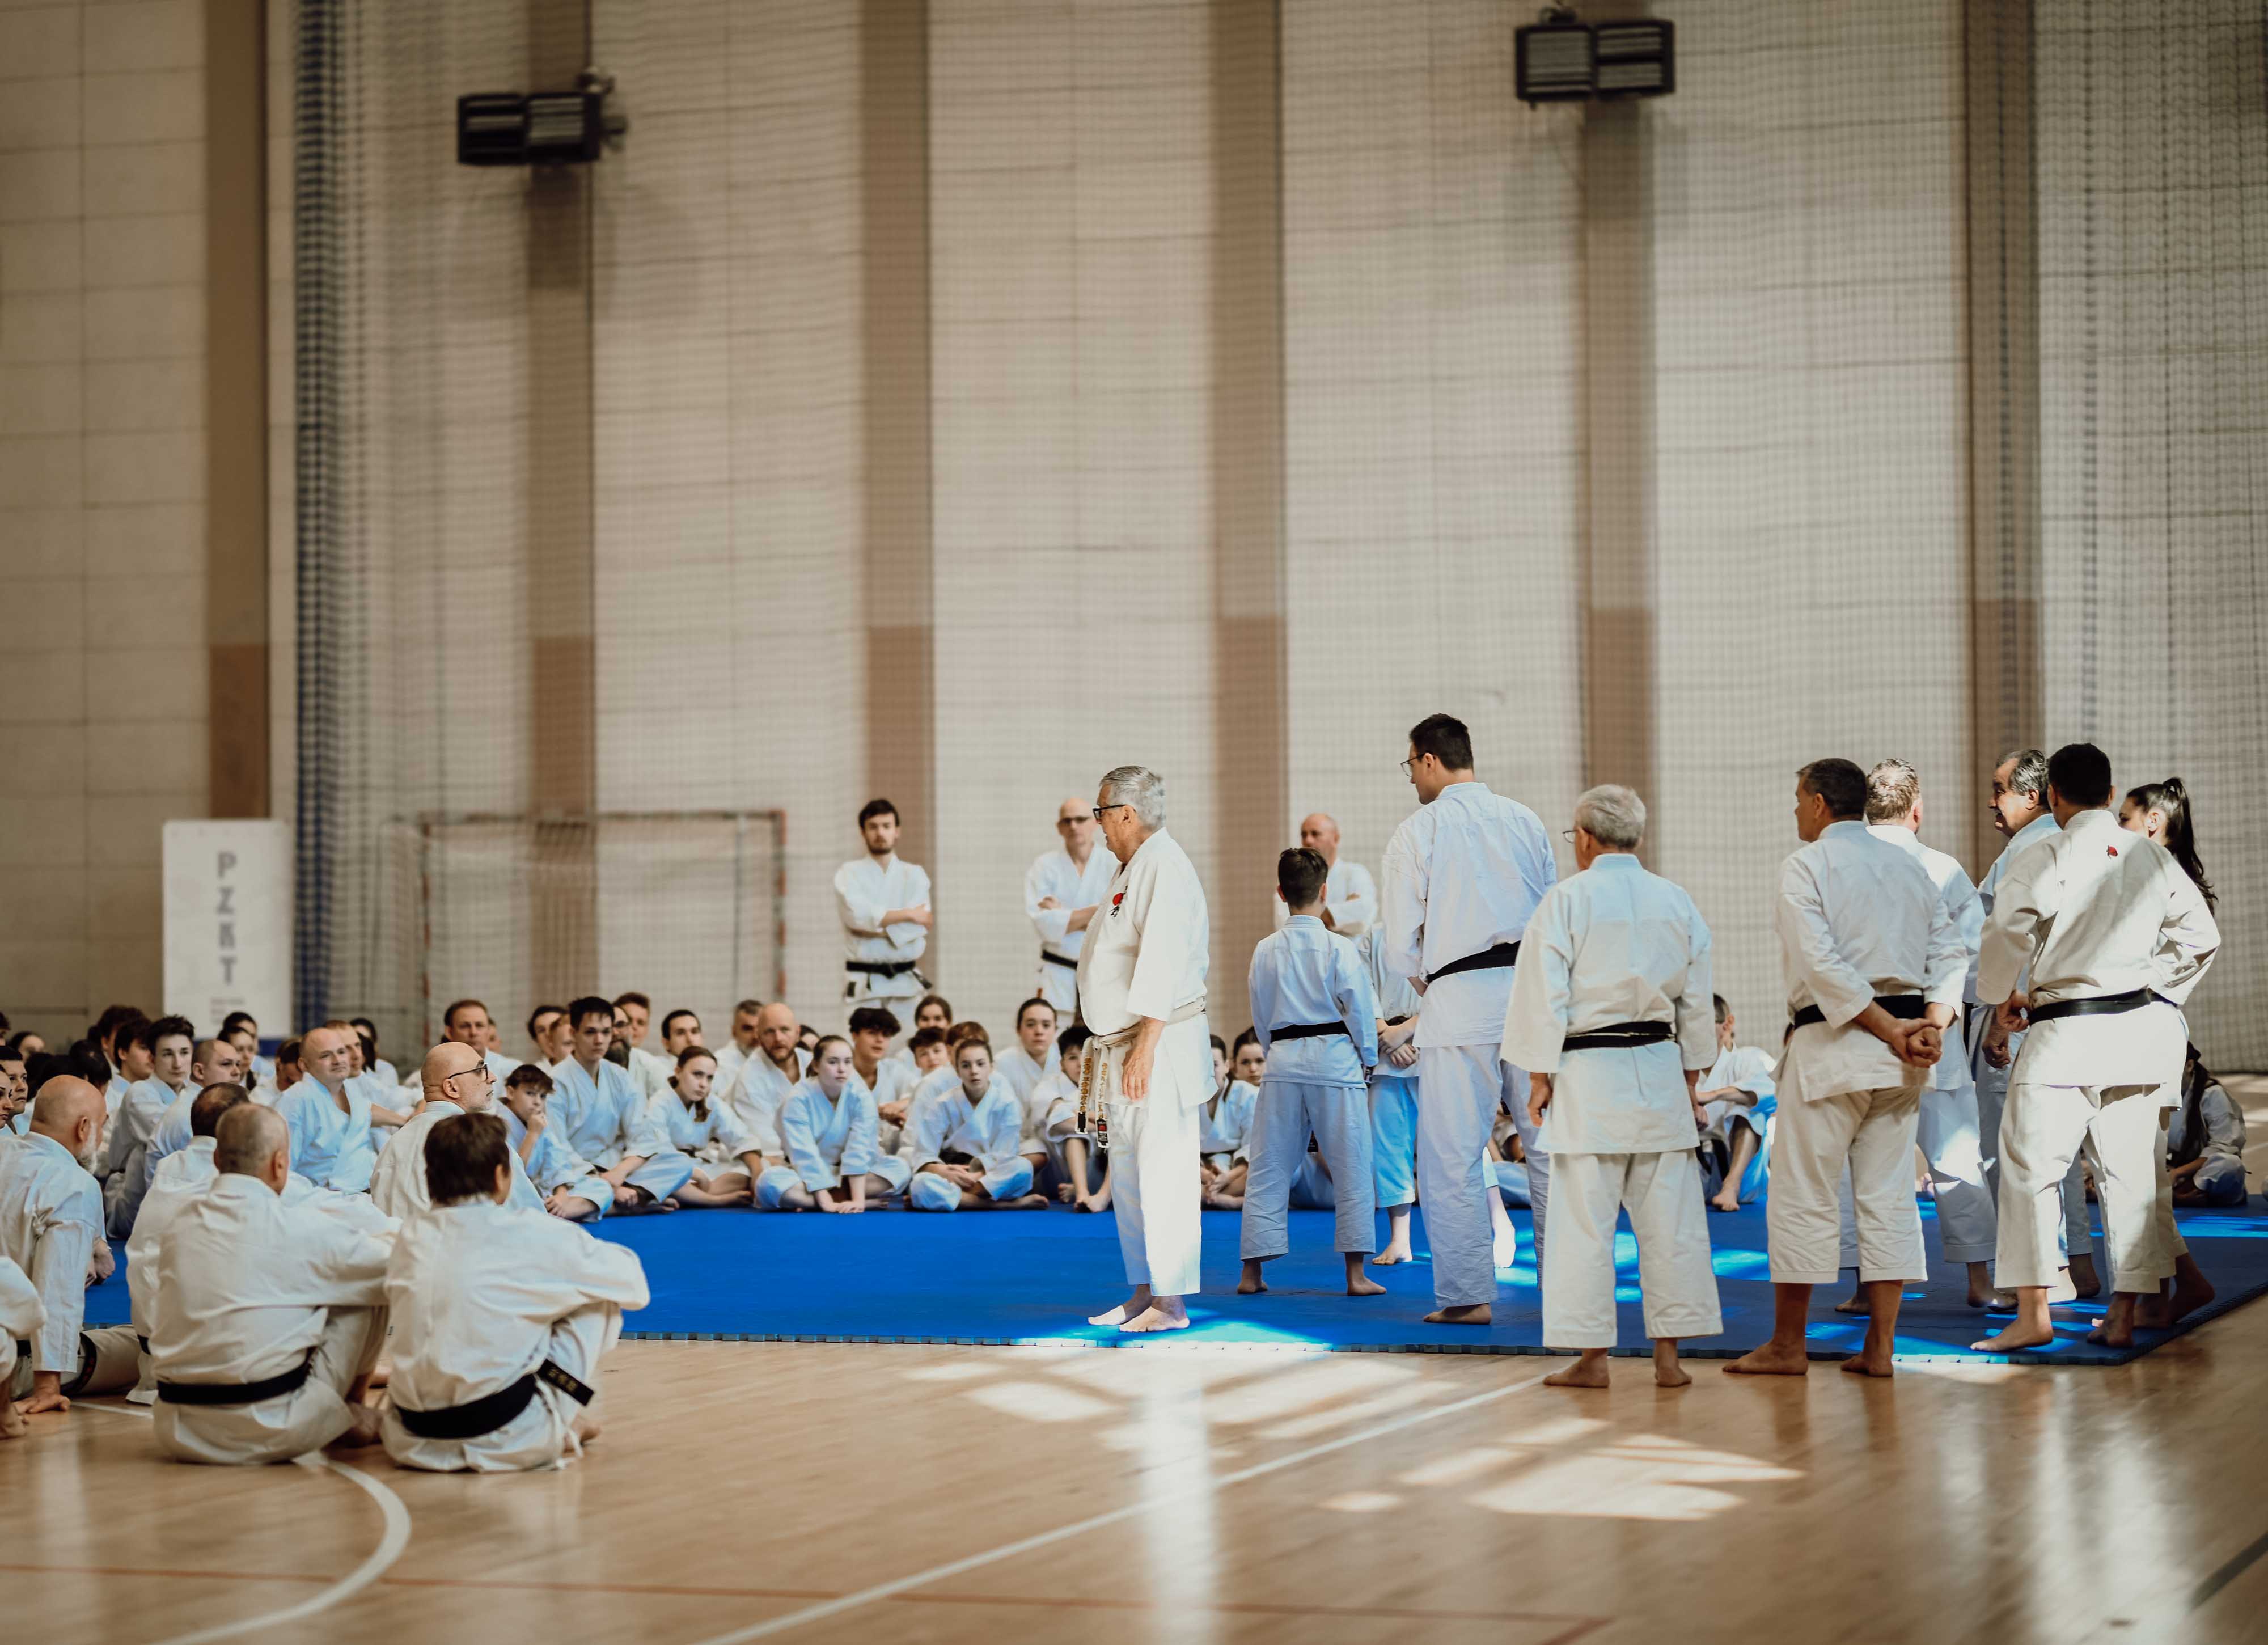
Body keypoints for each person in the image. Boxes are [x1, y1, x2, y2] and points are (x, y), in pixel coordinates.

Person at [1970, 743, 2219, 1353]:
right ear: (2110, 796)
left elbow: (2005, 928)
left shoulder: (2047, 852)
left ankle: (2033, 1314)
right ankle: (2124, 1312)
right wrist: (2154, 990)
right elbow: (2201, 936)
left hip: (2064, 1033)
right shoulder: (2150, 858)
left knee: (2029, 1169)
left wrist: (2000, 999)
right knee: (2130, 1179)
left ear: (2052, 795)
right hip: (2136, 1032)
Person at [1726, 758, 1963, 1380]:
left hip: (1837, 1047)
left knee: (1803, 1195)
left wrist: (1892, 1028)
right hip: (1905, 1054)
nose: (1795, 809)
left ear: (1821, 804)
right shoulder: (1910, 867)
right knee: (1887, 1199)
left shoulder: (1806, 865)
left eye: (1798, 798)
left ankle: (1786, 1346)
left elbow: (1821, 963)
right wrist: (1930, 1028)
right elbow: (1949, 953)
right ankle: (1880, 1350)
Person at [1507, 785, 1722, 1388]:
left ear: (1583, 838)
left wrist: (1538, 1076)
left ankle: (1594, 1359)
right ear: (1637, 838)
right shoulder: (1674, 901)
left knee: (1583, 1226)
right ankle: (1669, 1359)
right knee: (1670, 1223)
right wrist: (1690, 1076)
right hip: (1657, 1069)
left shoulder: (1565, 901)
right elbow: (1696, 1002)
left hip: (1586, 1078)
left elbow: (1542, 997)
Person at [1380, 713, 1559, 1324]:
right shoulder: (1525, 820)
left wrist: (1433, 979)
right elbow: (1550, 913)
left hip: (1458, 998)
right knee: (1545, 1144)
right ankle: (1567, 1290)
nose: (1411, 779)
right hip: (1531, 994)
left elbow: (1399, 943)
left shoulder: (1416, 831)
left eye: (1411, 766)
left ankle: (1466, 1298)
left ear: (1429, 760)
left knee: (1452, 1152)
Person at [382, 1113, 649, 1473]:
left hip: (409, 1434)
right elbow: (633, 1286)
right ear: (500, 1176)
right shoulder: (530, 1231)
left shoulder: (409, 1236)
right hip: (508, 1433)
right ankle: (561, 1415)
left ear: (431, 1177)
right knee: (596, 1297)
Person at [147, 1104, 395, 1464]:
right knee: (367, 1284)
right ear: (280, 1164)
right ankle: (350, 1412)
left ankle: (341, 1412)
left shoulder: (179, 1225)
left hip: (177, 1426)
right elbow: (397, 1269)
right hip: (272, 1427)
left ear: (217, 1158)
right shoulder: (298, 1228)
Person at [1849, 758, 2000, 1309]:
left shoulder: (1838, 865)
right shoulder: (1942, 868)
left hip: (1865, 1028)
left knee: (1872, 1165)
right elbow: (1969, 954)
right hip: (1933, 1030)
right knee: (1957, 1161)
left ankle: (1870, 1287)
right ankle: (1981, 1283)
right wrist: (1943, 1023)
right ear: (1917, 810)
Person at [1075, 766, 1212, 1331]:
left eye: (1101, 814)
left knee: (1165, 1174)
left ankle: (1171, 1303)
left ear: (1126, 813)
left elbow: (1162, 960)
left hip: (1158, 1042)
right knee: (1130, 1178)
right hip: (1126, 1042)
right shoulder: (1130, 868)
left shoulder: (1165, 866)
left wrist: (1146, 1045)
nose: (1099, 826)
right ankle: (1142, 1293)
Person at [1974, 749, 2097, 1300]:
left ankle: (2036, 1283)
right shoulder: (2094, 847)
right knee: (2067, 1147)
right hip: (2083, 1018)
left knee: (2015, 1148)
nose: (1991, 804)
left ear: (2034, 795)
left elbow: (2001, 939)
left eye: (1999, 790)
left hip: (2025, 1015)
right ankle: (2080, 1264)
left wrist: (1998, 1015)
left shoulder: (2028, 852)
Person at [1238, 847, 1383, 1297]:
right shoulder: (1339, 947)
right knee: (1351, 1164)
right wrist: (1369, 1056)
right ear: (1325, 893)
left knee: (1268, 1165)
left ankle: (1251, 1274)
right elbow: (1360, 1009)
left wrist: (1276, 1051)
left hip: (1281, 1060)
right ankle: (1356, 1275)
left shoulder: (1264, 950)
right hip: (1335, 1061)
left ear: (1281, 893)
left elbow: (1260, 1016)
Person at [2, 1078, 139, 1415]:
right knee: (154, 1346)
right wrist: (48, 1386)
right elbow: (57, 1289)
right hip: (18, 1365)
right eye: (102, 1127)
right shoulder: (73, 1183)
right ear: (83, 1128)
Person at [372, 1042, 556, 1220]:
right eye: (479, 1071)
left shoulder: (392, 1145)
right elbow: (533, 1217)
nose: (492, 1077)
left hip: (404, 1249)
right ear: (452, 1088)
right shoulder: (480, 1141)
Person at [548, 997, 695, 1215]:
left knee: (680, 1163)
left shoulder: (619, 1076)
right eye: (590, 1032)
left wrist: (619, 1174)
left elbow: (642, 1137)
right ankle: (627, 1203)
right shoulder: (555, 1081)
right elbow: (556, 1148)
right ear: (573, 1033)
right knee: (571, 1186)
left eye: (606, 1032)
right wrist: (602, 1181)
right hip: (574, 1172)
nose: (599, 1040)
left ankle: (615, 1200)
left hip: (612, 1166)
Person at [760, 1036, 913, 1211]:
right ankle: (824, 1201)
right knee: (769, 1183)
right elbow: (803, 1152)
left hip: (850, 1176)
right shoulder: (797, 1098)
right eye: (833, 1062)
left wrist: (858, 1202)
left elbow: (859, 1149)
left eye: (847, 1062)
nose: (842, 1069)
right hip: (806, 1176)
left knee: (901, 1169)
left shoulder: (861, 1096)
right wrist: (825, 1203)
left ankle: (810, 1203)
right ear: (816, 1065)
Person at [903, 1038, 1044, 1211]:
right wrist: (943, 1171)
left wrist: (978, 1176)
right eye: (966, 1065)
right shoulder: (942, 1104)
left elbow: (1005, 1154)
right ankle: (1002, 1205)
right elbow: (924, 1153)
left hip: (988, 1177)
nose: (974, 1071)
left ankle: (954, 1199)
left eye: (980, 1064)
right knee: (920, 1184)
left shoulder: (1007, 1104)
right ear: (957, 1070)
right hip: (953, 1175)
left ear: (991, 1067)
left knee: (1022, 1168)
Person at [273, 1025, 409, 1194]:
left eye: (341, 1052)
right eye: (326, 1055)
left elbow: (366, 1111)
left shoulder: (350, 1088)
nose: (338, 1060)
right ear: (304, 1065)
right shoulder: (296, 1100)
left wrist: (405, 1121)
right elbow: (283, 1167)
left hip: (371, 1188)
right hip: (328, 1199)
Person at [1359, 925, 1424, 1265]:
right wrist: (1386, 1033)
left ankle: (1498, 1223)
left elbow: (1452, 990)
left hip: (1433, 1047)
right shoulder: (1375, 936)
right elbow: (1359, 989)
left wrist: (1407, 1031)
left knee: (1458, 1147)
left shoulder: (1449, 928)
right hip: (1386, 1054)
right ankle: (1400, 1240)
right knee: (1388, 1149)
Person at [100, 1014, 196, 1237]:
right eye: (167, 1054)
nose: (178, 1063)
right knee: (148, 1151)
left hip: (174, 1189)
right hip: (128, 1196)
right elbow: (175, 1141)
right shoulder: (140, 1092)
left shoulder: (189, 1092)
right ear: (152, 1059)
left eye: (184, 1053)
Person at [835, 797, 932, 1010]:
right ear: (863, 832)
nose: (880, 833)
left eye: (886, 826)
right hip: (862, 984)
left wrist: (872, 927)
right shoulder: (848, 873)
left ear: (897, 831)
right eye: (873, 827)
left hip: (906, 984)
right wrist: (908, 915)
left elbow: (919, 925)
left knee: (910, 1043)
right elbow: (856, 917)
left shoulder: (914, 875)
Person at [1027, 797, 1116, 1013]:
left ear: (1096, 821)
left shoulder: (1114, 863)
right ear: (1059, 827)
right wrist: (1099, 911)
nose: (1074, 826)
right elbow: (1045, 926)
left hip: (1105, 971)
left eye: (1080, 819)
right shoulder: (1044, 867)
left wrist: (1063, 915)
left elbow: (1119, 923)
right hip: (1058, 971)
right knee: (1057, 1038)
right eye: (1067, 821)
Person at [648, 1047, 766, 1207]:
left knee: (756, 1166)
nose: (703, 1084)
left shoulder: (712, 1103)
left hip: (700, 1170)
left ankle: (694, 1197)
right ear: (678, 1072)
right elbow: (658, 1153)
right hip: (670, 1169)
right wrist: (695, 1174)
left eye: (709, 1078)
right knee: (661, 1178)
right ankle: (714, 1200)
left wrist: (758, 1174)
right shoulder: (660, 1103)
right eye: (697, 1075)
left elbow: (742, 1138)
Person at [494, 1064, 609, 1221]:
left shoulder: (538, 1120)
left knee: (601, 1188)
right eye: (530, 1093)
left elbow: (557, 1163)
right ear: (511, 1092)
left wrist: (561, 1195)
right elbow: (510, 1175)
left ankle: (553, 1212)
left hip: (540, 1194)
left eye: (543, 1096)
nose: (537, 1102)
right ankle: (552, 1214)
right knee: (516, 1201)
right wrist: (532, 1134)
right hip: (512, 1192)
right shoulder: (495, 1122)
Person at [1697, 997, 1777, 1212]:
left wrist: (1713, 1096)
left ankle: (1730, 1185)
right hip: (1697, 1168)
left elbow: (1774, 1092)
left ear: (1727, 1024)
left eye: (1704, 1024)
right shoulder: (1683, 1071)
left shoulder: (1750, 1058)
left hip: (1743, 1180)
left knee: (1749, 1106)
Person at [142, 1036, 249, 1187]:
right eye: (226, 1064)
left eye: (237, 1064)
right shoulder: (189, 1112)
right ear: (199, 1071)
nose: (237, 1072)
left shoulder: (201, 1104)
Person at [714, 1001, 807, 1161]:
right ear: (759, 1036)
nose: (778, 1038)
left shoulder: (814, 1063)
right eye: (769, 1032)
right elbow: (770, 1146)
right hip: (775, 1158)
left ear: (798, 1033)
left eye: (785, 1030)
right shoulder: (749, 1078)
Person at [1033, 1024, 1108, 1210]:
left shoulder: (1107, 1086)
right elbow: (1063, 1123)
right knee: (1075, 1134)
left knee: (1120, 1141)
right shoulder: (1048, 1086)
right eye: (1073, 1057)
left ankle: (1092, 1192)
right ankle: (1082, 1194)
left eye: (1086, 1056)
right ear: (1062, 1064)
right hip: (1057, 1169)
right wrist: (1103, 1123)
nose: (1081, 1063)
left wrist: (1078, 1114)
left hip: (1099, 1167)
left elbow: (1119, 1124)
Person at [1274, 813, 1378, 937]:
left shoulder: (1356, 873)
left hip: (1349, 955)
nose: (1308, 840)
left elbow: (1363, 915)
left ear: (1336, 838)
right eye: (1304, 835)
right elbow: (1285, 925)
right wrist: (1338, 914)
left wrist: (1306, 915)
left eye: (1315, 834)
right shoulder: (1292, 876)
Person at [2121, 777, 2216, 912]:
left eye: (2124, 819)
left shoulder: (2158, 876)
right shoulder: (2168, 870)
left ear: (2153, 821)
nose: (2118, 828)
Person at [846, 1007, 917, 1153]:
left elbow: (922, 1093)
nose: (880, 1040)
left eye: (886, 1035)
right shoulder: (839, 1071)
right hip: (846, 1154)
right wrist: (876, 1113)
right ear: (854, 1036)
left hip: (887, 1157)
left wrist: (899, 1105)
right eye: (872, 1033)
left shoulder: (893, 1069)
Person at [1200, 1034, 1256, 1210]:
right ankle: (1225, 1200)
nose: (1208, 1071)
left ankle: (1208, 1197)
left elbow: (1253, 1148)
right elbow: (1177, 1147)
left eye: (1214, 1065)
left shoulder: (1248, 1094)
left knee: (1267, 1172)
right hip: (1198, 1170)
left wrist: (1228, 1176)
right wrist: (1203, 1174)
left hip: (1237, 1171)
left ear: (1227, 1066)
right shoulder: (1185, 1099)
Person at [441, 999, 522, 1086]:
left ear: (488, 1030)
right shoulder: (436, 1071)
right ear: (449, 1032)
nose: (474, 1032)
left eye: (479, 1025)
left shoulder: (513, 1070)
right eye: (465, 1026)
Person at [614, 992, 676, 1102]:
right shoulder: (594, 1060)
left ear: (647, 1030)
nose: (634, 1027)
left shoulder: (652, 1066)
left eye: (641, 1023)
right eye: (627, 1020)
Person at [349, 1017, 399, 1090]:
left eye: (365, 1043)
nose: (359, 1050)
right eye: (355, 1043)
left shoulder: (386, 1070)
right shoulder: (341, 1070)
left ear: (375, 1046)